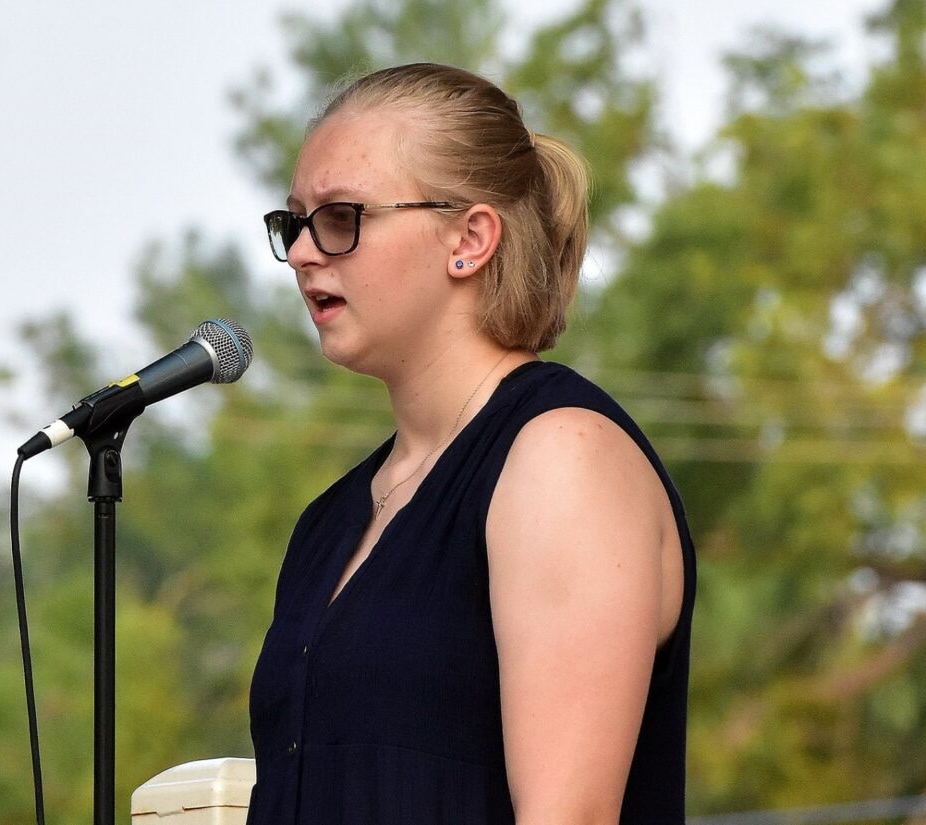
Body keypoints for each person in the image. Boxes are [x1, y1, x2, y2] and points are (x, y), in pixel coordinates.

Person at [247, 62, 696, 825]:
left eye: (341, 216)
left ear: (471, 238)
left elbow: (569, 815)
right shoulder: (329, 520)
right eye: (294, 222)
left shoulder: (562, 458)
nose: (301, 253)